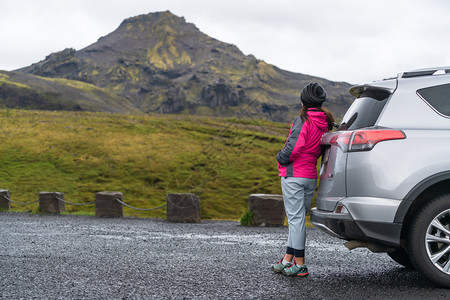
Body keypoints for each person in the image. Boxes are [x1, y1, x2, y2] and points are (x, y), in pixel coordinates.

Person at [272, 82, 335, 277]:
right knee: (297, 219)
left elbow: (294, 148)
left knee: (296, 220)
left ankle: (300, 265)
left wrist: (280, 157)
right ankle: (287, 260)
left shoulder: (303, 120)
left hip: (294, 175)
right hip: (309, 176)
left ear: (303, 101)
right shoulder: (325, 121)